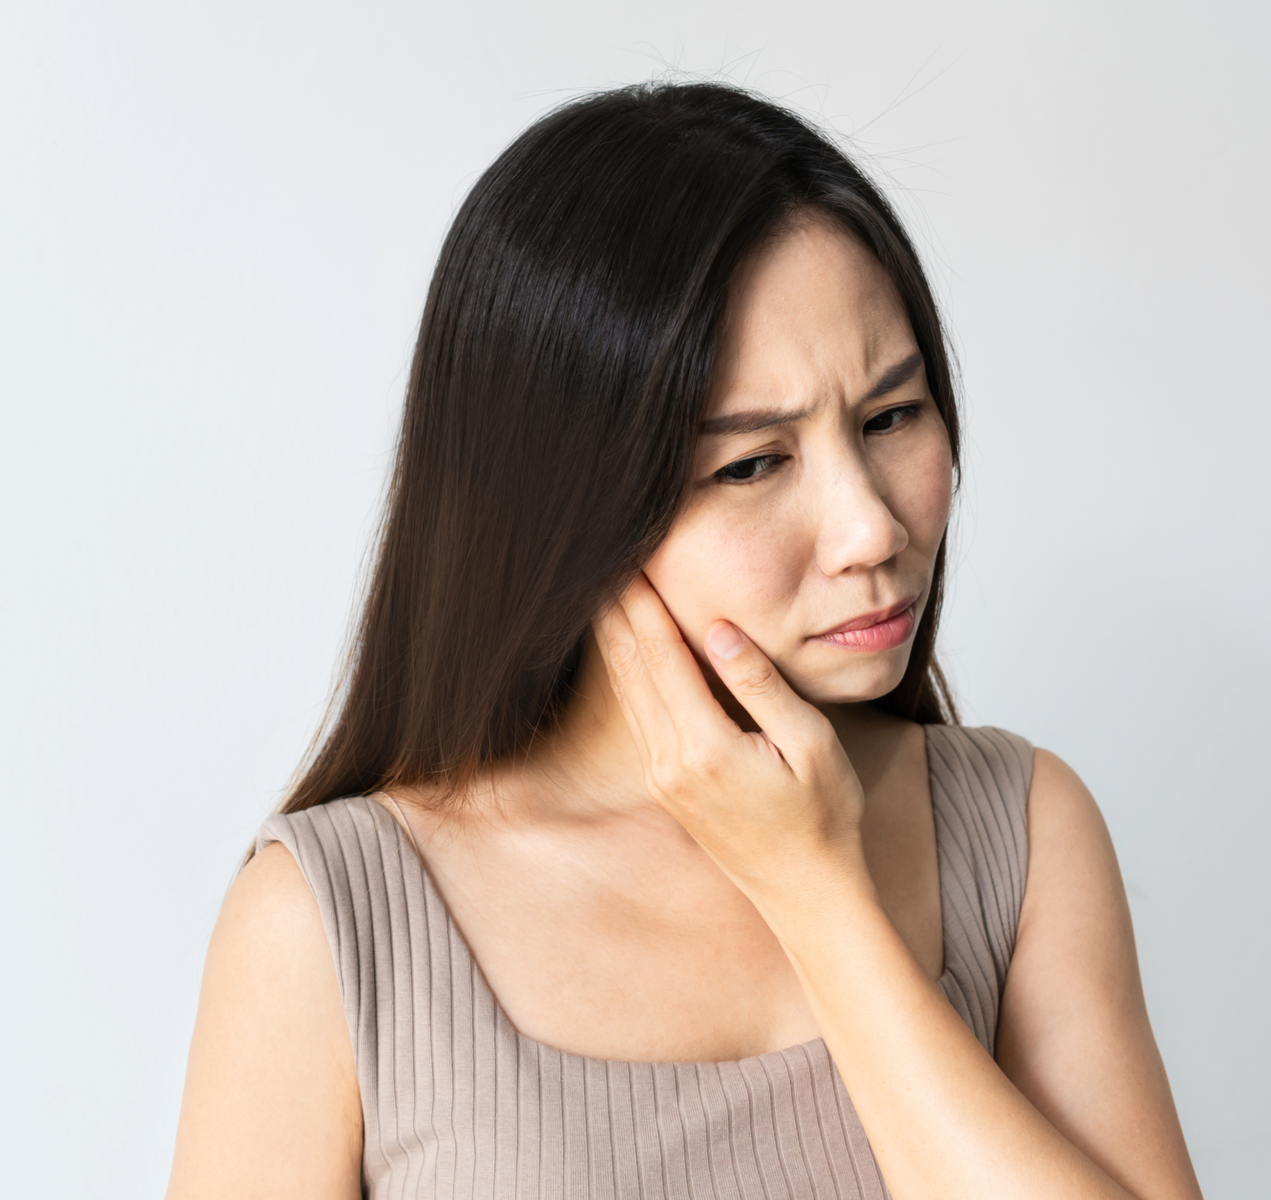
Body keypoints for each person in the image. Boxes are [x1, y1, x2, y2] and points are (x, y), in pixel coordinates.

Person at [166, 82, 1203, 1200]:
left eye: (890, 416)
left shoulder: (1020, 829)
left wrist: (816, 893)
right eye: (752, 464)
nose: (872, 527)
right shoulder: (326, 925)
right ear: (569, 509)